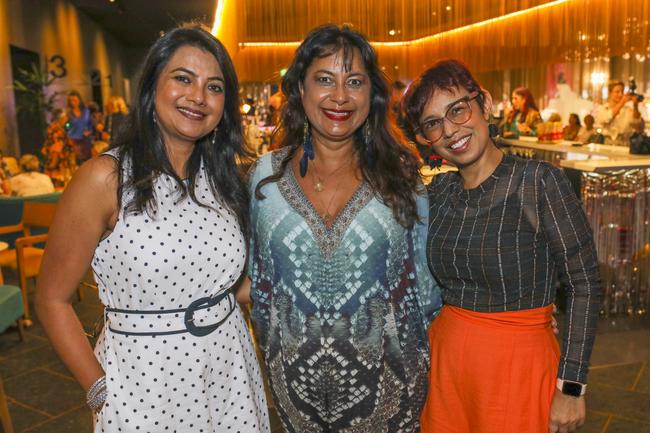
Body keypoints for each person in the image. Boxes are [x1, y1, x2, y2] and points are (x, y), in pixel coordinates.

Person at [35, 24, 270, 432]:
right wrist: (100, 390)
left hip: (230, 368)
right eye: (183, 78)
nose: (198, 96)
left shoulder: (224, 180)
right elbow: (52, 300)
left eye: (214, 87)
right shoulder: (105, 178)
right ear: (151, 87)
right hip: (144, 382)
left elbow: (227, 286)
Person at [244, 24, 441, 432]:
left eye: (354, 82)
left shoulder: (402, 178)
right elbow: (255, 277)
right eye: (324, 80)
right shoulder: (265, 178)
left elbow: (425, 290)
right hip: (295, 395)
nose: (339, 97)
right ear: (300, 89)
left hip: (391, 395)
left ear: (372, 95)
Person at [404, 59, 601, 433]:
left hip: (518, 368)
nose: (450, 130)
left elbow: (585, 283)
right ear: (425, 138)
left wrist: (572, 387)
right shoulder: (438, 193)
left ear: (485, 104)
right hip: (446, 367)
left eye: (457, 109)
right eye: (433, 123)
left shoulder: (538, 182)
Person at [595, 80, 643, 145]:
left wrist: (635, 106)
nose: (620, 95)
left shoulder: (627, 110)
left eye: (622, 92)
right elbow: (606, 119)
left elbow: (637, 125)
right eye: (617, 92)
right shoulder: (603, 108)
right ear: (610, 93)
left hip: (624, 144)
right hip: (607, 144)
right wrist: (622, 102)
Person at [65, 90, 93, 163]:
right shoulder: (68, 113)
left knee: (88, 160)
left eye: (75, 100)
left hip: (86, 139)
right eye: (71, 100)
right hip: (74, 140)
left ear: (79, 100)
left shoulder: (86, 111)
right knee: (77, 160)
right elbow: (67, 126)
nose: (73, 102)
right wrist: (67, 126)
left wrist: (89, 130)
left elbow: (90, 124)